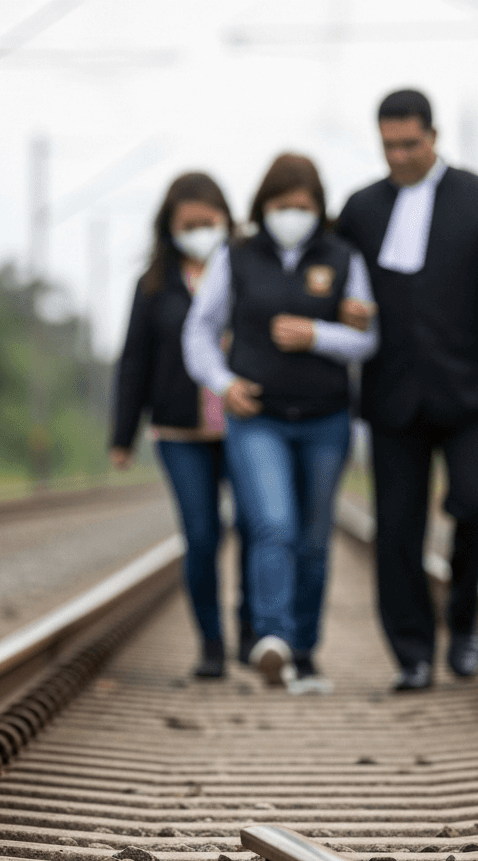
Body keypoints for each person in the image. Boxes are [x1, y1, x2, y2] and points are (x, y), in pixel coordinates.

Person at [337, 88, 478, 692]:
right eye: (388, 146)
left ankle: (462, 619)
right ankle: (412, 654)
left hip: (472, 391)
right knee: (396, 530)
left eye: (410, 143)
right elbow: (330, 284)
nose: (399, 156)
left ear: (434, 136)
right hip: (393, 395)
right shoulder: (361, 208)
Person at [183, 153, 377, 691]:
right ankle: (272, 639)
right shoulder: (236, 256)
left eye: (302, 206)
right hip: (258, 417)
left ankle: (305, 650)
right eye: (281, 205)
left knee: (314, 538)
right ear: (263, 206)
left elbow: (369, 337)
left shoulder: (343, 258)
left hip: (326, 419)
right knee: (273, 524)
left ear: (319, 208)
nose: (291, 214)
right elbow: (199, 331)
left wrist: (317, 335)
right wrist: (224, 384)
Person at [110, 171, 252, 679]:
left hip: (245, 425)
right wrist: (121, 436)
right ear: (169, 227)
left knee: (258, 528)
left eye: (207, 222)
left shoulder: (250, 271)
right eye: (188, 223)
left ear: (226, 220)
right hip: (179, 431)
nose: (199, 231)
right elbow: (134, 362)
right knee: (201, 536)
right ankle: (211, 644)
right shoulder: (152, 286)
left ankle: (251, 630)